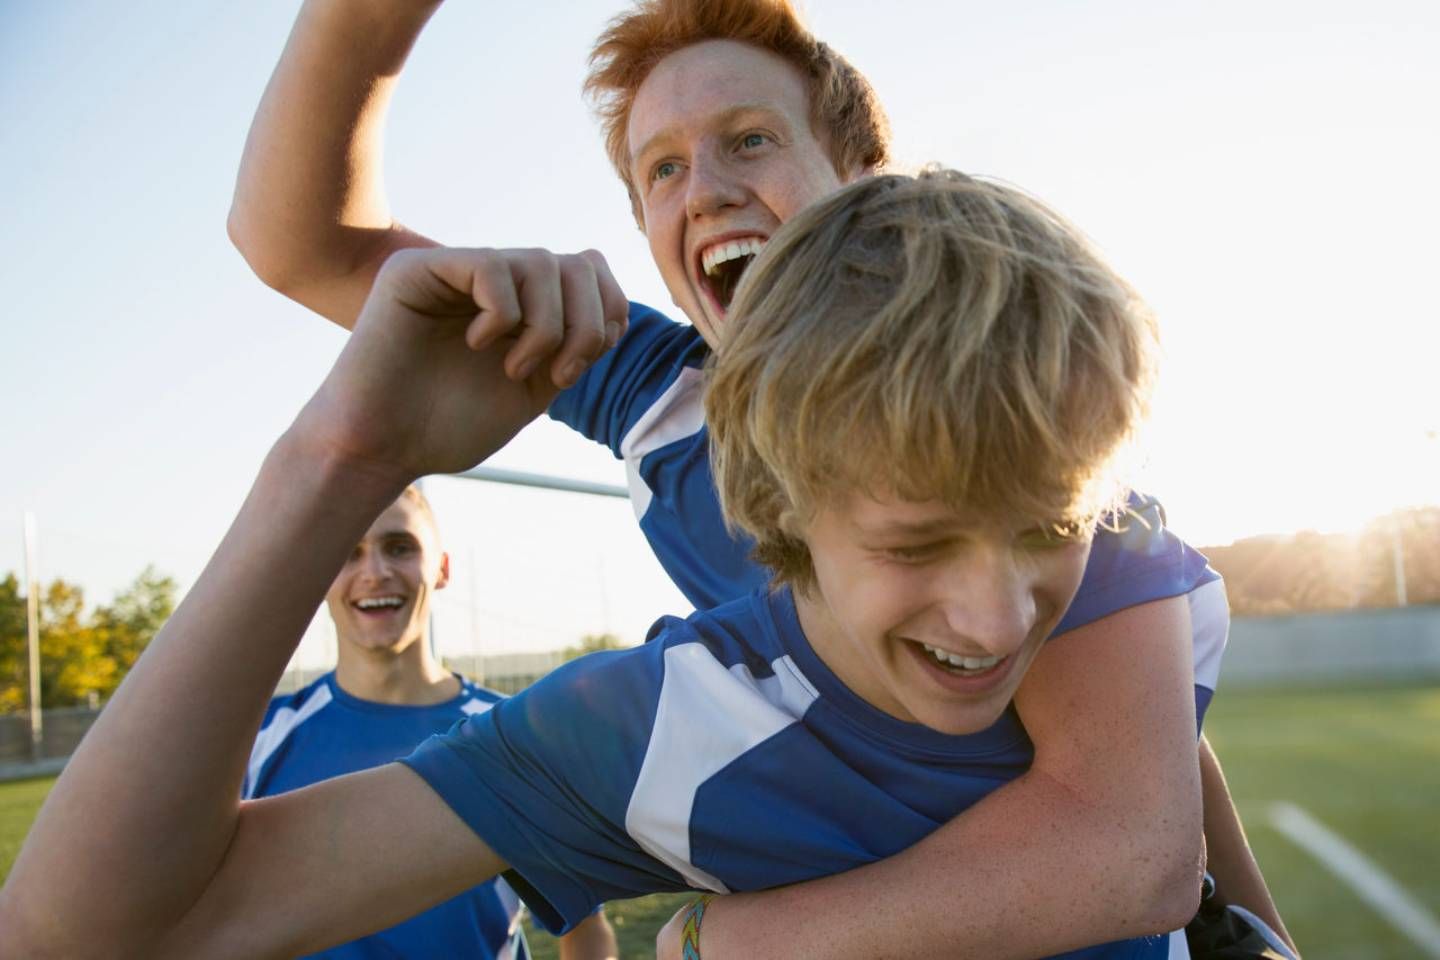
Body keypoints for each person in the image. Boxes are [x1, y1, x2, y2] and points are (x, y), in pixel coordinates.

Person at [227, 1, 1295, 955]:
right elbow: (298, 244)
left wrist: (744, 943)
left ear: (860, 177)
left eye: (749, 139)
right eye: (662, 168)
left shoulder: (1008, 419)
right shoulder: (650, 389)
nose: (706, 190)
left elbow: (1130, 834)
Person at [10, 169, 1215, 959]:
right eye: (916, 544)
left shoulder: (1121, 569)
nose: (999, 619)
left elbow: (1163, 853)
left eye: (1050, 530)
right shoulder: (646, 733)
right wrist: (340, 459)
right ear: (776, 500)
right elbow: (92, 936)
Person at [243, 484, 618, 960]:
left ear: (441, 568)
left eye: (399, 547)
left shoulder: (514, 738)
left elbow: (584, 930)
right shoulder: (258, 741)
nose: (375, 572)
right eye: (348, 553)